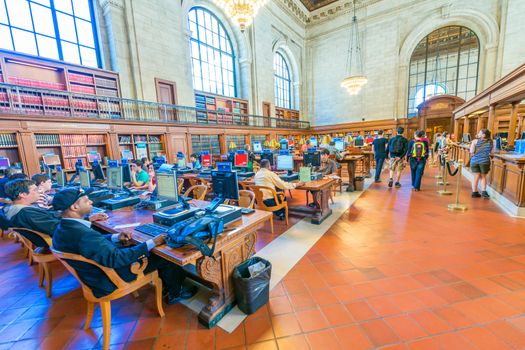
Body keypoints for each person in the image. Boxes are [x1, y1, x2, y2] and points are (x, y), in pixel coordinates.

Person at [51, 188, 195, 303]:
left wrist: (115, 237)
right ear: (75, 206)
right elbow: (117, 258)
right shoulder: (83, 234)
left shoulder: (64, 227)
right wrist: (152, 242)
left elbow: (94, 243)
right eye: (86, 200)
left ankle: (167, 285)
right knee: (164, 253)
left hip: (95, 275)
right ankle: (175, 293)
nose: (91, 202)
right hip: (110, 277)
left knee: (143, 247)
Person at [2, 179, 107, 245]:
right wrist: (87, 219)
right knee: (102, 229)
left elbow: (48, 218)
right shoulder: (26, 213)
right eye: (34, 190)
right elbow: (59, 227)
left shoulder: (13, 208)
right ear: (22, 194)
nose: (39, 191)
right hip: (59, 240)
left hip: (54, 236)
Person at [470, 128, 494, 198]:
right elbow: (492, 152)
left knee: (476, 176)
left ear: (483, 135)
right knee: (483, 176)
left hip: (475, 161)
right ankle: (484, 191)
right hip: (485, 161)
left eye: (480, 133)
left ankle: (474, 192)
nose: (478, 133)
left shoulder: (475, 141)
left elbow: (471, 151)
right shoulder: (492, 142)